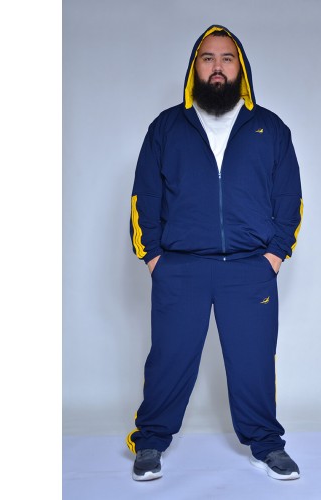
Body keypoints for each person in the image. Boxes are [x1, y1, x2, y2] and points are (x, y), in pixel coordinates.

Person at [127, 25, 304, 481]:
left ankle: (267, 444)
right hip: (180, 267)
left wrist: (275, 255)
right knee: (169, 360)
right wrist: (153, 257)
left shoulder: (269, 128)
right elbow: (145, 197)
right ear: (195, 67)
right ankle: (150, 442)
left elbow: (289, 198)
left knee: (254, 361)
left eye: (227, 58)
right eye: (208, 58)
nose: (218, 67)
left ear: (240, 67)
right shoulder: (167, 127)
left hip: (249, 268)